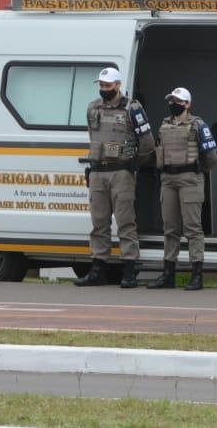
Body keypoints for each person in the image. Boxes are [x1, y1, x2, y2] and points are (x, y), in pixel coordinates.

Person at [74, 67, 155, 289]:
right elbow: (93, 136)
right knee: (98, 222)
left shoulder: (133, 108)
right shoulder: (93, 108)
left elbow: (148, 142)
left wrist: (134, 163)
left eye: (108, 85)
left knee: (125, 222)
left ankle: (129, 270)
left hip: (121, 172)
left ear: (118, 85)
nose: (104, 89)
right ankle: (97, 269)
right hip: (98, 171)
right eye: (101, 85)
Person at [147, 86, 217, 291]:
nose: (174, 104)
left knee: (193, 228)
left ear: (187, 104)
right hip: (168, 179)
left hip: (190, 179)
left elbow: (211, 158)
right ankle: (168, 274)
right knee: (170, 228)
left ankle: (197, 275)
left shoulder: (198, 125)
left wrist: (196, 172)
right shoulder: (164, 125)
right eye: (172, 101)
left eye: (178, 101)